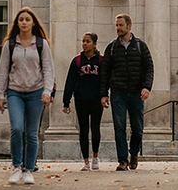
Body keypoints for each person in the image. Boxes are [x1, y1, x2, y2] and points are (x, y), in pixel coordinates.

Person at [0, 7, 54, 186]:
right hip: (15, 92)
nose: (24, 22)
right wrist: (0, 94)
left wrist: (47, 91)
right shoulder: (10, 45)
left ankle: (28, 170)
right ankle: (16, 167)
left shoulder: (41, 44)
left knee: (32, 133)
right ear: (17, 23)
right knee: (17, 128)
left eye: (27, 19)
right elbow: (3, 70)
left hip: (36, 92)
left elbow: (48, 69)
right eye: (21, 19)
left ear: (33, 23)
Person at [99, 14, 154, 171]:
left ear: (129, 26)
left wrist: (147, 87)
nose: (118, 28)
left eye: (121, 25)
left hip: (136, 92)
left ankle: (134, 153)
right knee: (119, 126)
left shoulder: (140, 46)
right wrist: (103, 94)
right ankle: (122, 160)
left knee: (137, 128)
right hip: (118, 92)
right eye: (116, 25)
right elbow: (105, 72)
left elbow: (149, 68)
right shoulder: (112, 48)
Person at [62, 32, 105, 171]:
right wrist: (66, 101)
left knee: (95, 127)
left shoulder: (101, 61)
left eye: (88, 41)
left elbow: (105, 80)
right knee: (83, 129)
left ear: (94, 44)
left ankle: (95, 157)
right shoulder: (77, 61)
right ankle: (85, 160)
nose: (85, 44)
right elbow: (70, 81)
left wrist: (104, 95)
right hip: (81, 100)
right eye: (83, 41)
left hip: (96, 100)